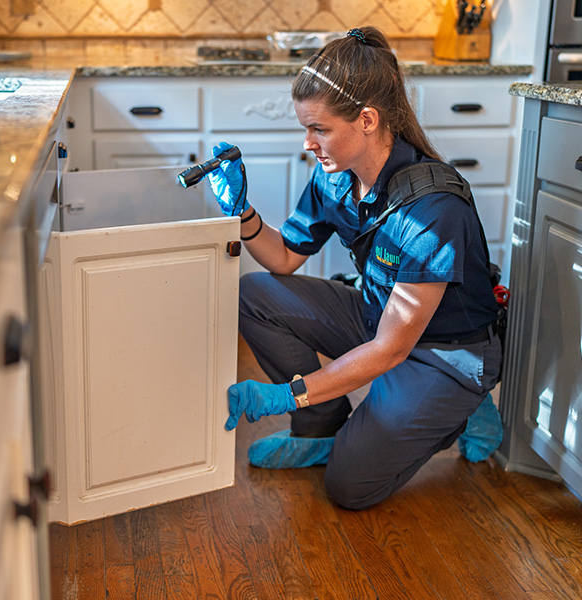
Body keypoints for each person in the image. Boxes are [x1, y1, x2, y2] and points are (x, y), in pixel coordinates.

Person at [207, 26, 504, 510]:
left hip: (443, 352)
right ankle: (321, 423)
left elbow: (391, 349)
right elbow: (285, 258)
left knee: (349, 487)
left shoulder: (431, 208)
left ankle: (462, 407)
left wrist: (287, 394)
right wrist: (243, 215)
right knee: (255, 294)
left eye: (319, 128)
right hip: (378, 319)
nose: (308, 142)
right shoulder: (336, 179)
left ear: (367, 119)